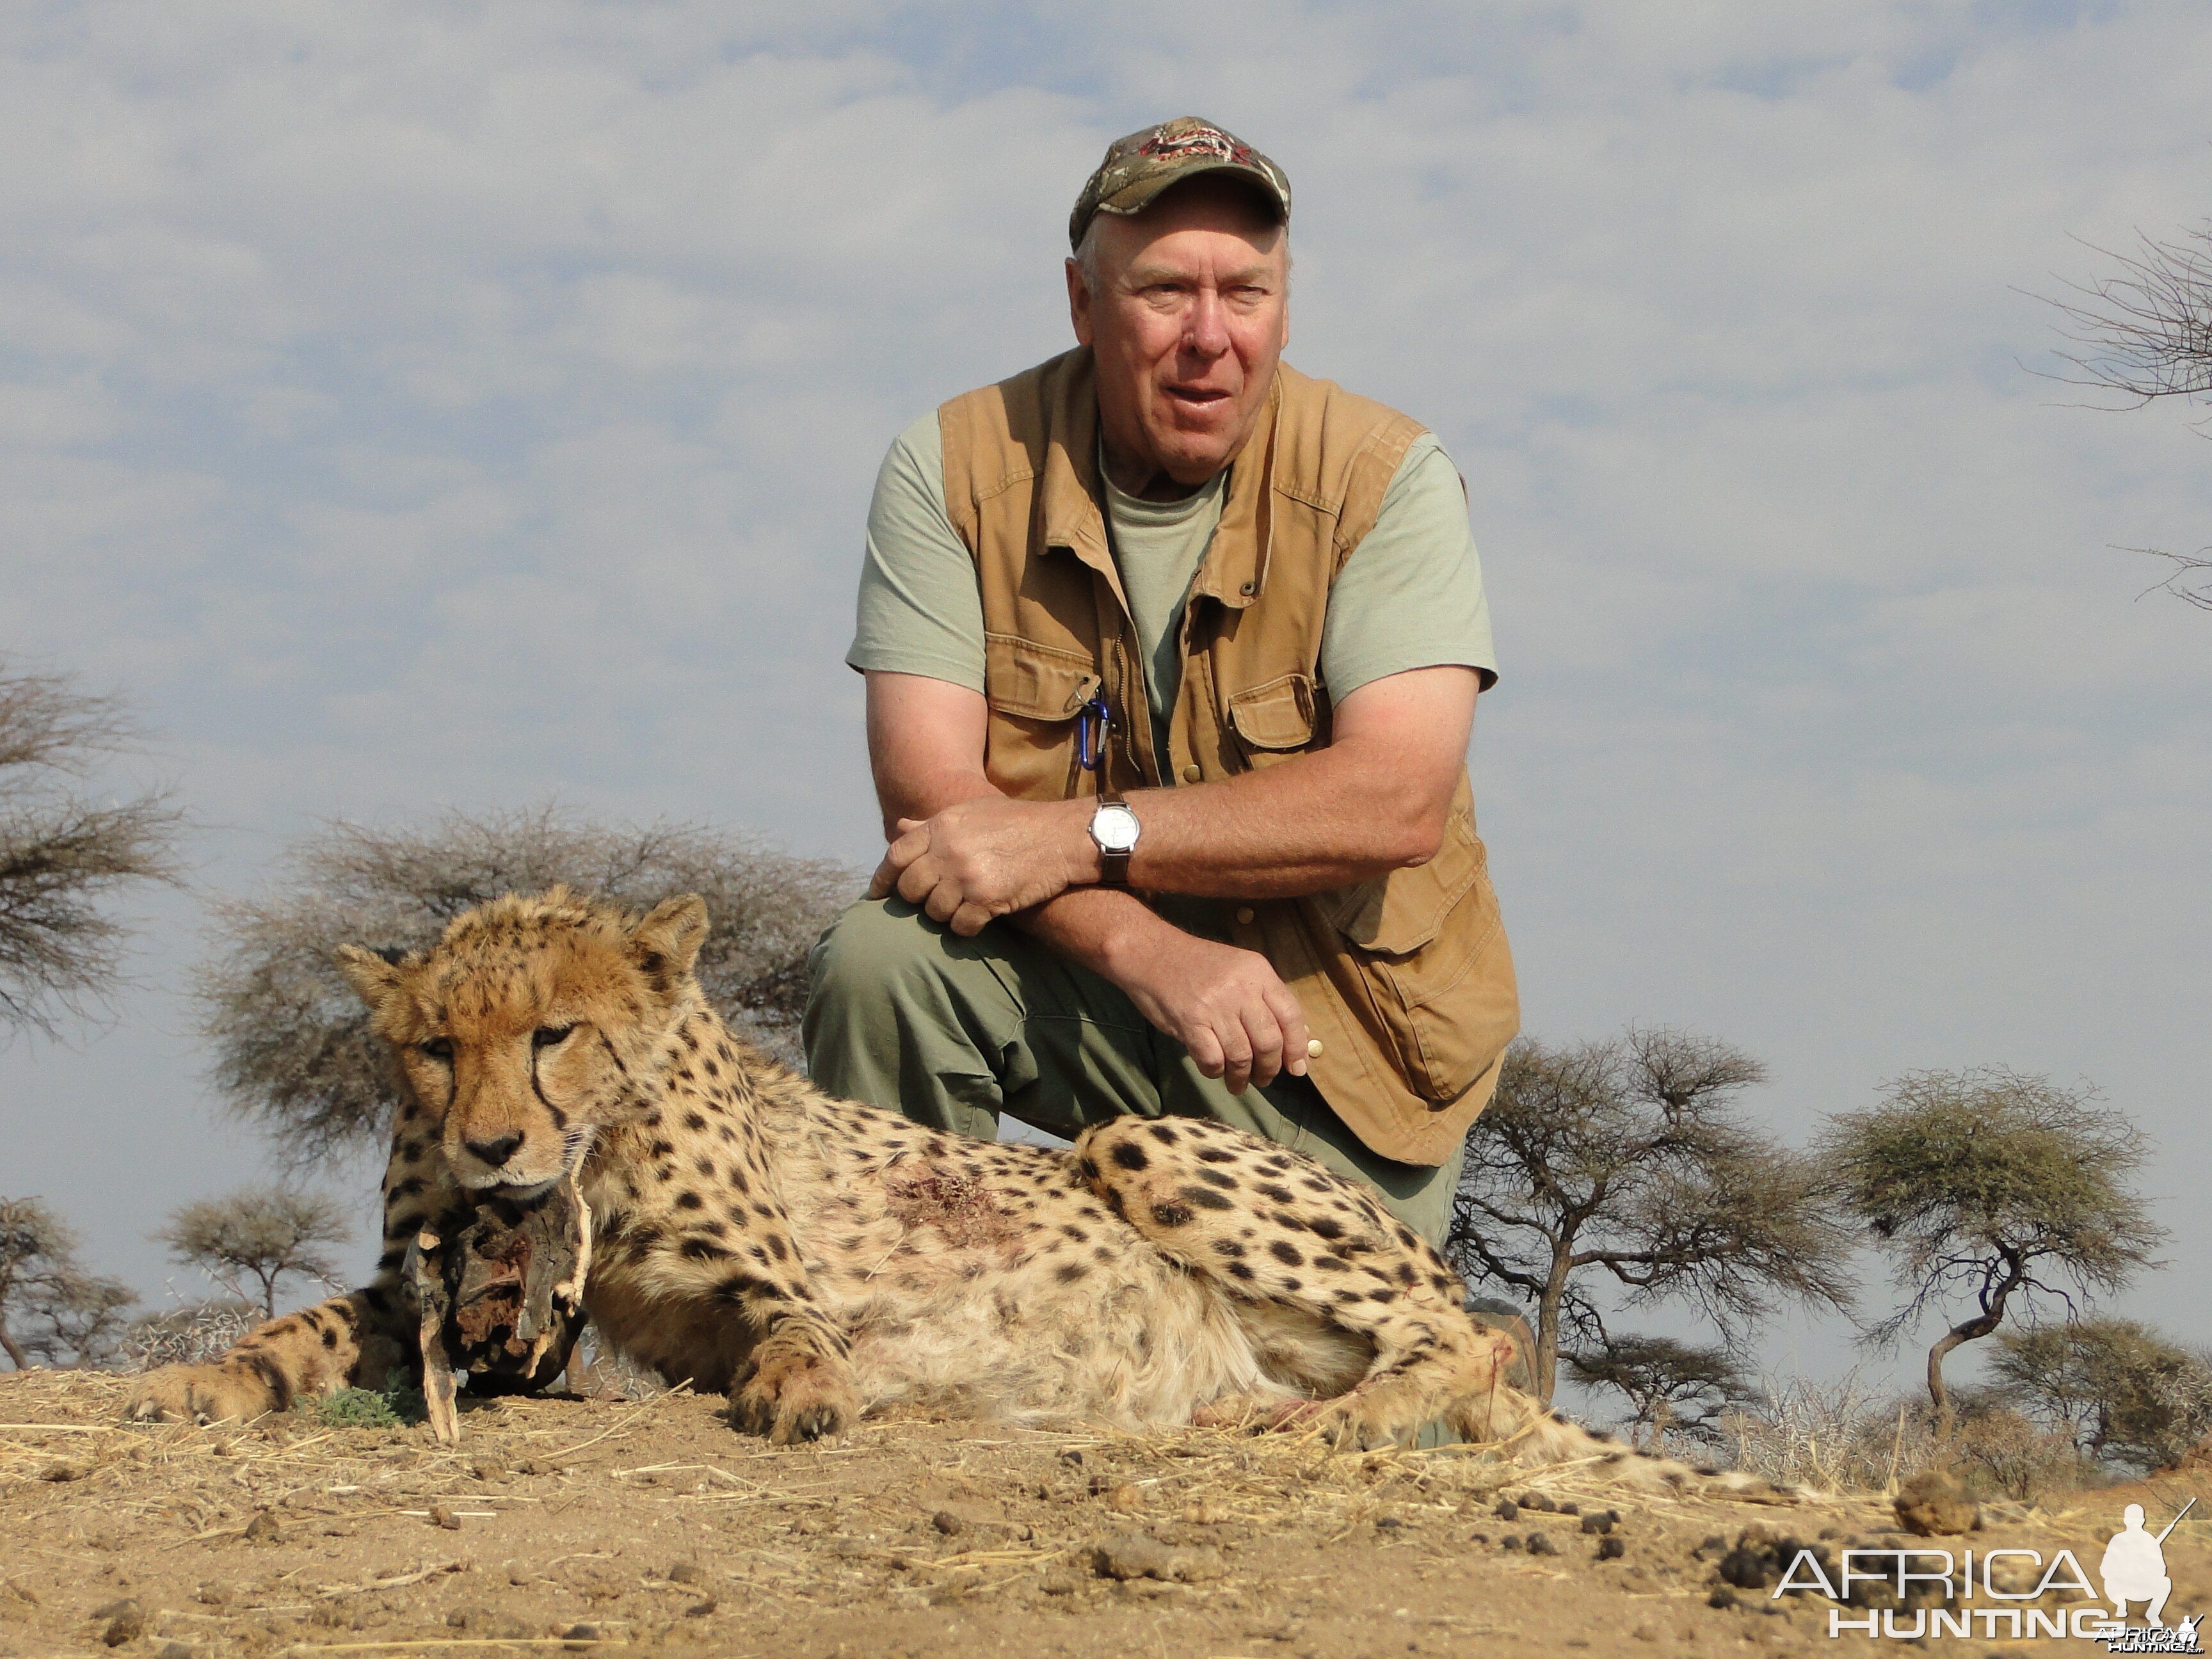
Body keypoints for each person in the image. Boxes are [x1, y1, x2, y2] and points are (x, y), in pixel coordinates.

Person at [804, 116, 1518, 1248]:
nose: (1209, 337)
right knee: (885, 959)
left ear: (1285, 305)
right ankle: (904, 1342)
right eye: (1163, 292)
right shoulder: (949, 463)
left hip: (1332, 1050)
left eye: (1246, 292)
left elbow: (1397, 800)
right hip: (1100, 981)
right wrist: (1149, 950)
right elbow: (936, 816)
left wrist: (1084, 835)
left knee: (1331, 1405)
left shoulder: (1390, 476)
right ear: (1085, 306)